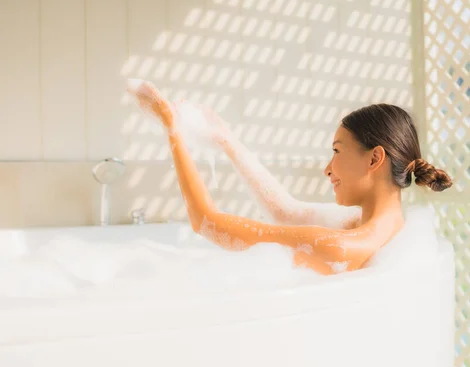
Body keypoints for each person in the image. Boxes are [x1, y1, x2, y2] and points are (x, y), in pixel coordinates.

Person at [127, 80, 452, 275]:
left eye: (337, 151)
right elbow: (286, 212)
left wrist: (172, 127)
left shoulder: (342, 246)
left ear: (374, 158)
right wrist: (226, 139)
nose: (328, 168)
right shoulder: (390, 231)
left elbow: (206, 223)